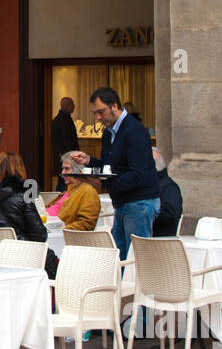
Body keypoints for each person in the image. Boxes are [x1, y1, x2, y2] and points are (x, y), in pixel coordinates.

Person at [68, 86, 159, 259]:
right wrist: (89, 161)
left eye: (101, 112)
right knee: (120, 256)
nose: (98, 117)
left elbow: (138, 174)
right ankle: (122, 286)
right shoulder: (108, 133)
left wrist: (105, 184)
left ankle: (135, 286)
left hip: (139, 201)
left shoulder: (134, 130)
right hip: (123, 201)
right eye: (95, 113)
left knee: (134, 259)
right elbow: (109, 167)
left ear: (114, 106)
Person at [0, 151, 58, 276]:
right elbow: (40, 236)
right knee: (50, 257)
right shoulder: (23, 196)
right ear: (19, 170)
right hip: (17, 255)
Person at [56, 155, 102, 231]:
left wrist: (62, 229)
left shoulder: (87, 192)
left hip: (59, 235)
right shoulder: (69, 190)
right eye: (63, 169)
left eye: (67, 169)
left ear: (79, 171)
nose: (63, 172)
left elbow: (86, 223)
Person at [151, 148, 184, 237]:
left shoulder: (169, 187)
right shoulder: (149, 185)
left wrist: (146, 210)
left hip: (159, 242)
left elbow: (171, 215)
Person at [50, 97, 80, 192]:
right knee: (64, 180)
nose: (74, 107)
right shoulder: (62, 121)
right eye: (72, 105)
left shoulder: (62, 120)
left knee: (65, 180)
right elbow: (65, 142)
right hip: (65, 157)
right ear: (67, 106)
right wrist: (70, 156)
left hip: (64, 156)